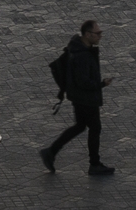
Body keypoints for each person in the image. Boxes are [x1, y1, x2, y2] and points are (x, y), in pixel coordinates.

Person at [39, 21, 112, 175]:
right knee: (94, 128)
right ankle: (94, 164)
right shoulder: (82, 55)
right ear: (87, 34)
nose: (100, 36)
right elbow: (83, 81)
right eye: (97, 33)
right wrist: (101, 84)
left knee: (80, 126)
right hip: (85, 98)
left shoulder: (79, 48)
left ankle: (51, 152)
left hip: (78, 97)